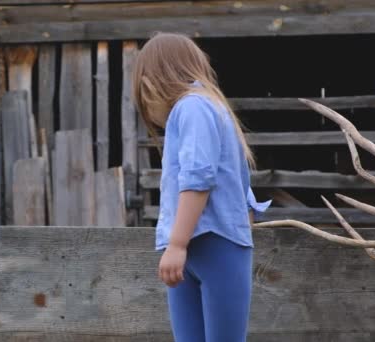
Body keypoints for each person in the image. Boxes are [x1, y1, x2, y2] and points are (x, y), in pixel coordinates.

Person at [132, 32, 271, 342]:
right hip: (200, 247)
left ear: (156, 78)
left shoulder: (193, 106)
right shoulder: (204, 108)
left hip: (208, 244)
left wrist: (177, 243)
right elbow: (237, 184)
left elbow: (199, 177)